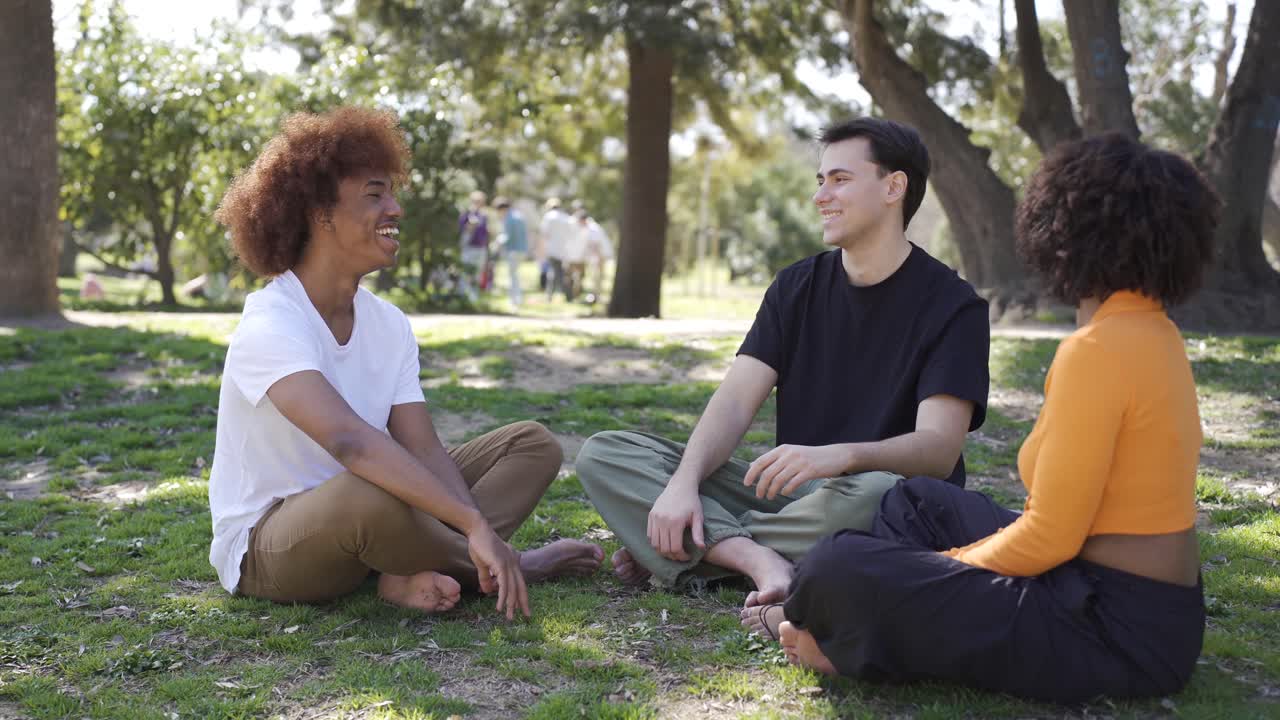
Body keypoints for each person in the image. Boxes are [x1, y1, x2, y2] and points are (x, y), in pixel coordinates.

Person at [777, 132, 1218, 704]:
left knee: (836, 566)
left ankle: (848, 639)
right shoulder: (1154, 331)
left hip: (1114, 631)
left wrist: (935, 571)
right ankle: (873, 620)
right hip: (1134, 604)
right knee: (916, 500)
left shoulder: (1098, 349)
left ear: (1063, 233)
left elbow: (1048, 539)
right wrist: (927, 573)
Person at [574, 118, 989, 620]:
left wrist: (840, 457)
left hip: (869, 498)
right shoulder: (796, 287)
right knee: (606, 453)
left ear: (893, 187)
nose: (821, 197)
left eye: (839, 179)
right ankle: (750, 556)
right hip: (788, 498)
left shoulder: (953, 306)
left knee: (880, 494)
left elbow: (939, 451)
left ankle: (691, 544)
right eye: (820, 181)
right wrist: (682, 486)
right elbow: (733, 403)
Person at [209, 107, 602, 618]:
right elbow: (349, 442)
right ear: (318, 213)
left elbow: (422, 447)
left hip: (372, 510)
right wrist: (478, 529)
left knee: (530, 445)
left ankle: (404, 570)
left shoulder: (388, 323)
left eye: (393, 193)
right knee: (369, 491)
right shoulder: (271, 322)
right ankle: (505, 565)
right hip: (270, 545)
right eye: (375, 195)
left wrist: (468, 521)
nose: (394, 208)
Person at [494, 197, 528, 307]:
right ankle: (517, 298)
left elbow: (507, 236)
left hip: (513, 250)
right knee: (515, 274)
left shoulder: (509, 218)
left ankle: (515, 299)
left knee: (512, 275)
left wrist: (497, 243)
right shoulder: (519, 216)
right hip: (522, 249)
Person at [539, 198, 574, 302]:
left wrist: (541, 250)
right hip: (564, 250)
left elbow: (544, 234)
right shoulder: (566, 217)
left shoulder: (548, 217)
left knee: (554, 272)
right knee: (560, 272)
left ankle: (551, 295)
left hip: (552, 249)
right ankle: (565, 295)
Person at [458, 191, 490, 300]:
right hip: (468, 248)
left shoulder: (484, 216)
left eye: (480, 202)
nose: (478, 204)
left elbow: (485, 234)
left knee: (477, 274)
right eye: (476, 201)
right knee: (465, 272)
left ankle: (473, 298)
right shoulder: (466, 214)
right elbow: (462, 231)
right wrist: (470, 226)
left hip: (480, 248)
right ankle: (462, 296)